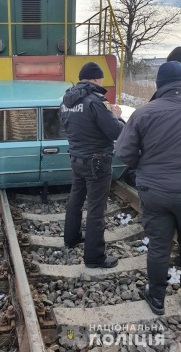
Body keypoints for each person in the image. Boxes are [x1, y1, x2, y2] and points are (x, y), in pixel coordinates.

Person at [115, 61, 181, 315]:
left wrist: (144, 167)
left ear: (159, 85)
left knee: (159, 247)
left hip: (155, 191)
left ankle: (156, 299)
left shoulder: (144, 113)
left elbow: (123, 152)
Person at [60, 61, 125, 268]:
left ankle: (71, 238)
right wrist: (116, 116)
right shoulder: (96, 101)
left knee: (75, 200)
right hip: (97, 162)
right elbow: (115, 132)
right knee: (96, 209)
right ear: (96, 79)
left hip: (76, 158)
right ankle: (95, 257)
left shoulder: (67, 99)